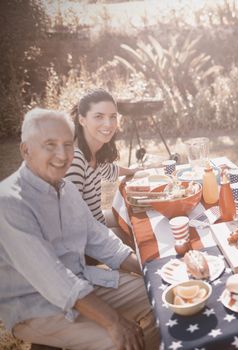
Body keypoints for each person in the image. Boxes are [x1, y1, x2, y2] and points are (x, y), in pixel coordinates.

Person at [0, 108, 159, 349]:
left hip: (83, 282)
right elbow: (53, 278)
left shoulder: (66, 189)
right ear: (25, 150)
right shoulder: (9, 202)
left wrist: (153, 272)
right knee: (118, 342)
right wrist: (114, 322)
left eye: (67, 145)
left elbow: (101, 239)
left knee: (162, 297)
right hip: (36, 307)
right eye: (50, 145)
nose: (62, 155)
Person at [65, 89, 141, 226]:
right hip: (87, 240)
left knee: (138, 215)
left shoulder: (93, 153)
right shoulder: (75, 160)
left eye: (112, 116)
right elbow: (70, 223)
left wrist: (133, 171)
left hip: (97, 225)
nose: (109, 124)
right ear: (82, 120)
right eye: (99, 116)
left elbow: (110, 170)